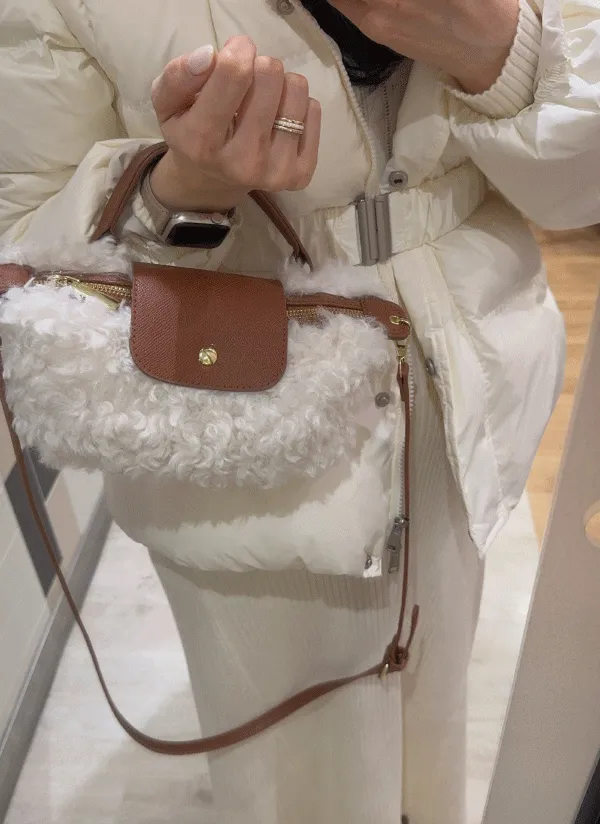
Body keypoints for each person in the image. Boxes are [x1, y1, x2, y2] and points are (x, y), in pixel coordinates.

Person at [0, 0, 598, 821]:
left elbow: (577, 195)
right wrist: (182, 195)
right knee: (290, 773)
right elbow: (26, 250)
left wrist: (505, 50)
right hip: (246, 441)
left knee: (433, 727)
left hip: (468, 398)